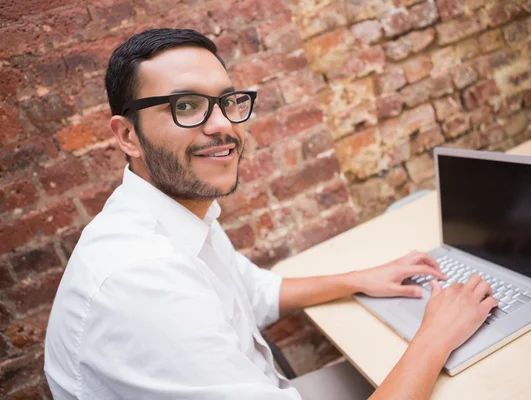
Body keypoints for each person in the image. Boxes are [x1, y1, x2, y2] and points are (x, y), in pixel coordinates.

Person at [44, 28, 498, 400]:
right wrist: (436, 335)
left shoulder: (172, 211)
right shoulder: (141, 282)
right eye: (186, 106)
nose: (222, 124)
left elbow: (253, 291)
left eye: (227, 101)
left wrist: (361, 279)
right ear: (127, 136)